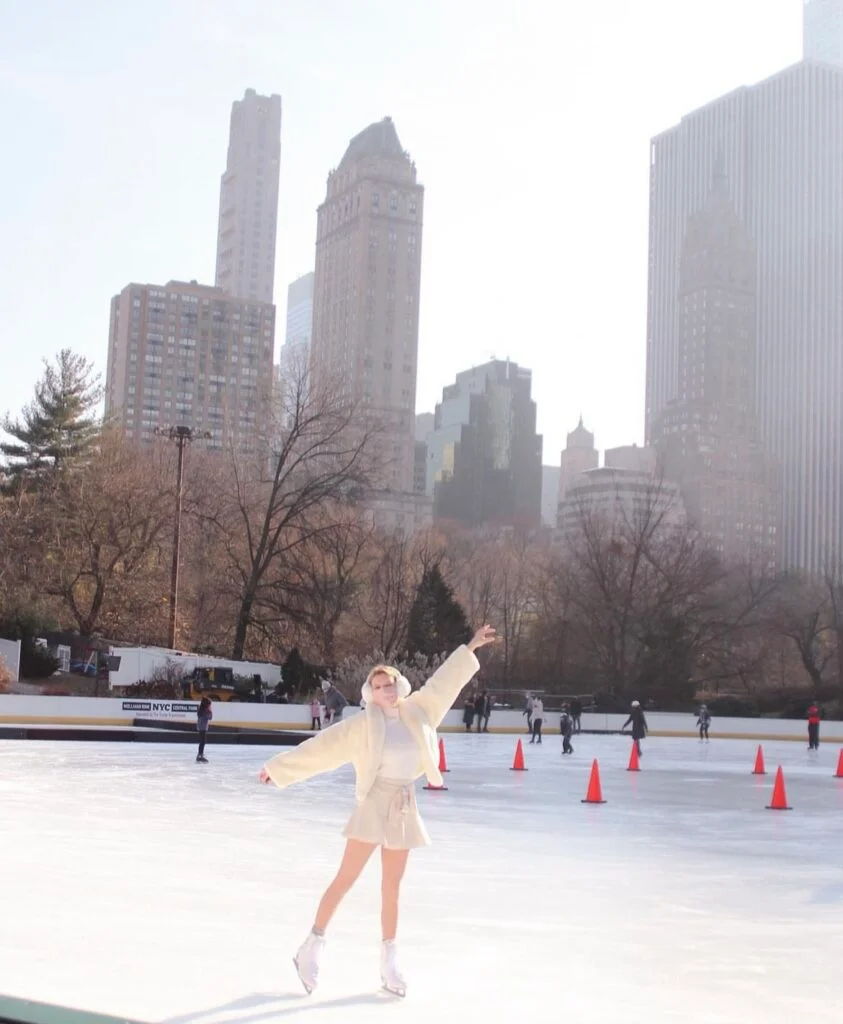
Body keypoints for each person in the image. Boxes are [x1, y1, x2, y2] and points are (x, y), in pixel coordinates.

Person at [259, 624, 497, 998]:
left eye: (391, 684)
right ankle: (311, 947)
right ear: (371, 692)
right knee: (345, 879)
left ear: (399, 687)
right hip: (374, 804)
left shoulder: (419, 711)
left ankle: (389, 961)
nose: (386, 690)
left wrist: (469, 647)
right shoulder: (361, 725)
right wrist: (279, 769)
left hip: (403, 804)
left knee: (392, 888)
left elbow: (443, 683)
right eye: (379, 685)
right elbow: (323, 748)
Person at [196, 696, 213, 763]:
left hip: (200, 726)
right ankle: (200, 755)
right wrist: (210, 711)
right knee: (203, 742)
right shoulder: (206, 710)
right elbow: (210, 718)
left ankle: (200, 755)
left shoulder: (201, 709)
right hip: (202, 727)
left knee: (202, 741)